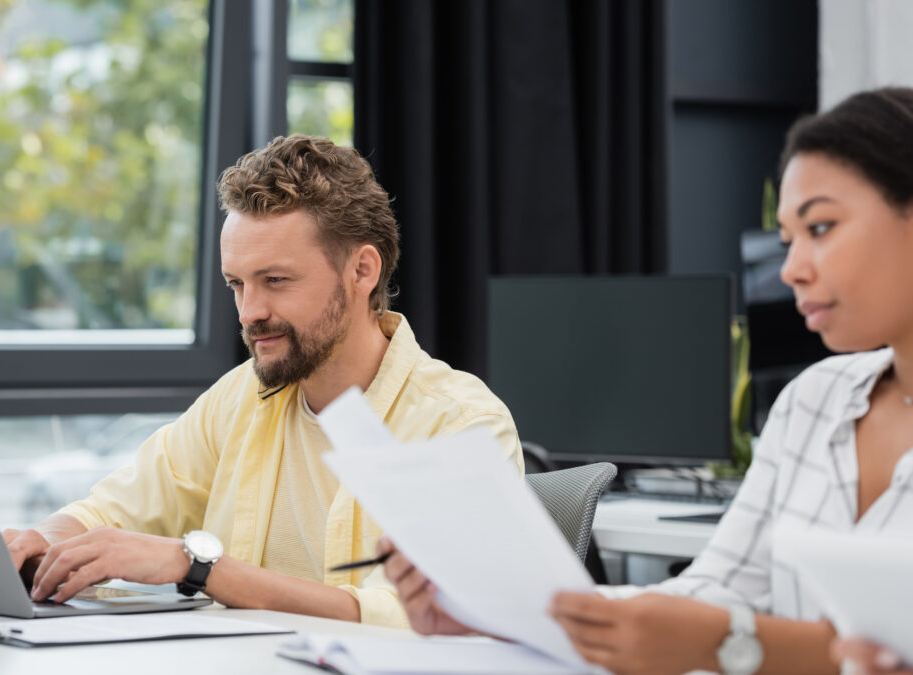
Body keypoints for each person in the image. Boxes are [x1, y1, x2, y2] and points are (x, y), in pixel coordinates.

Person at [381, 87, 913, 673]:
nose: (791, 269)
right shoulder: (814, 403)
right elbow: (710, 597)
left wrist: (733, 644)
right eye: (789, 240)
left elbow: (720, 631)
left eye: (820, 227)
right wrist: (491, 614)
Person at [2, 135, 523, 628]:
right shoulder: (241, 396)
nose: (249, 313)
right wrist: (39, 542)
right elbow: (107, 513)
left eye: (276, 280)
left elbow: (418, 619)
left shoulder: (460, 424)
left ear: (363, 271)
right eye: (237, 284)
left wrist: (197, 567)